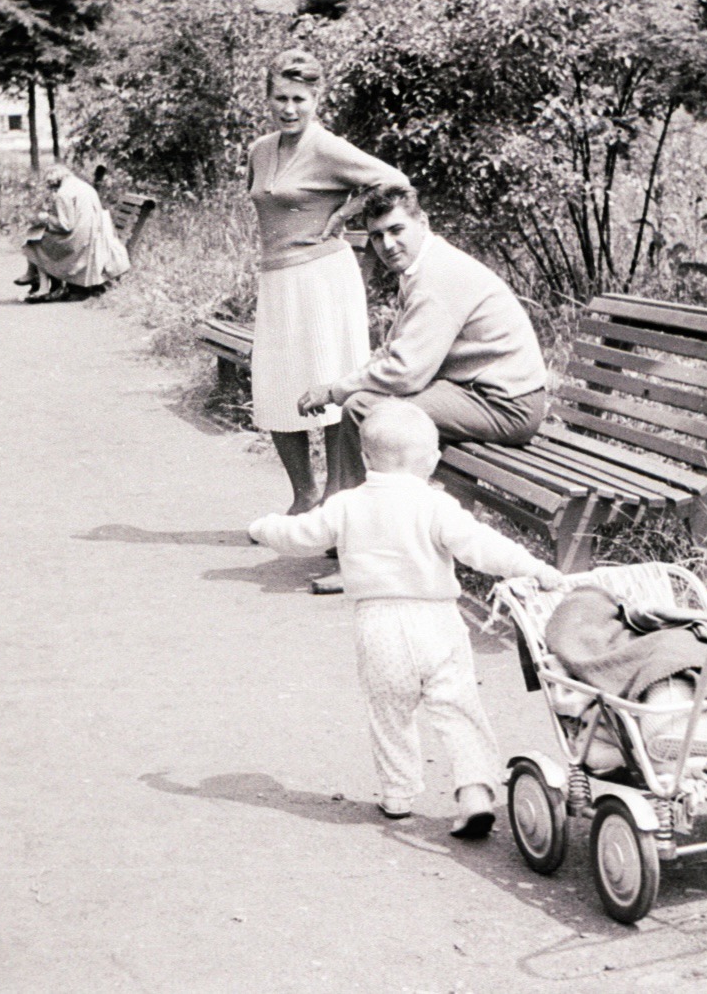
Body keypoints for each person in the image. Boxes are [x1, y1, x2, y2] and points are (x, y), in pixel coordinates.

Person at [248, 401, 564, 836]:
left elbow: (300, 535)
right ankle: (474, 790)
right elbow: (483, 545)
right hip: (437, 621)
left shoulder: (346, 505)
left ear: (364, 460)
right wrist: (534, 569)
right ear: (433, 460)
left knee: (389, 712)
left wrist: (262, 528)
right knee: (458, 708)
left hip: (378, 625)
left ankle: (397, 795)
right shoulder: (437, 505)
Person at [299, 184, 549, 492]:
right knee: (365, 403)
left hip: (507, 406)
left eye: (396, 230)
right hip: (472, 393)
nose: (387, 244)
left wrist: (335, 391)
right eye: (377, 236)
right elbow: (393, 350)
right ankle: (366, 517)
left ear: (423, 223)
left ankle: (347, 521)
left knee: (363, 408)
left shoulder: (437, 275)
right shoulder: (422, 267)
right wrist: (342, 385)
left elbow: (406, 373)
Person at [248, 48, 409, 515]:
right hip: (277, 282)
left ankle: (338, 497)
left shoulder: (326, 147)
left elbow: (393, 180)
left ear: (317, 98)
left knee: (332, 384)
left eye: (300, 98)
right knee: (276, 386)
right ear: (268, 97)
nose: (289, 109)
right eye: (280, 97)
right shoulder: (259, 150)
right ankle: (303, 497)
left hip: (324, 279)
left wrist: (344, 213)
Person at [17, 164, 131, 303]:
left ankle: (43, 286)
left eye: (50, 184)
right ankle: (43, 282)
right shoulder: (85, 186)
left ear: (54, 180)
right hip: (95, 236)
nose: (52, 188)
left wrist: (46, 217)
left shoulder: (63, 193)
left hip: (79, 240)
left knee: (34, 239)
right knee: (39, 236)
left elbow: (66, 226)